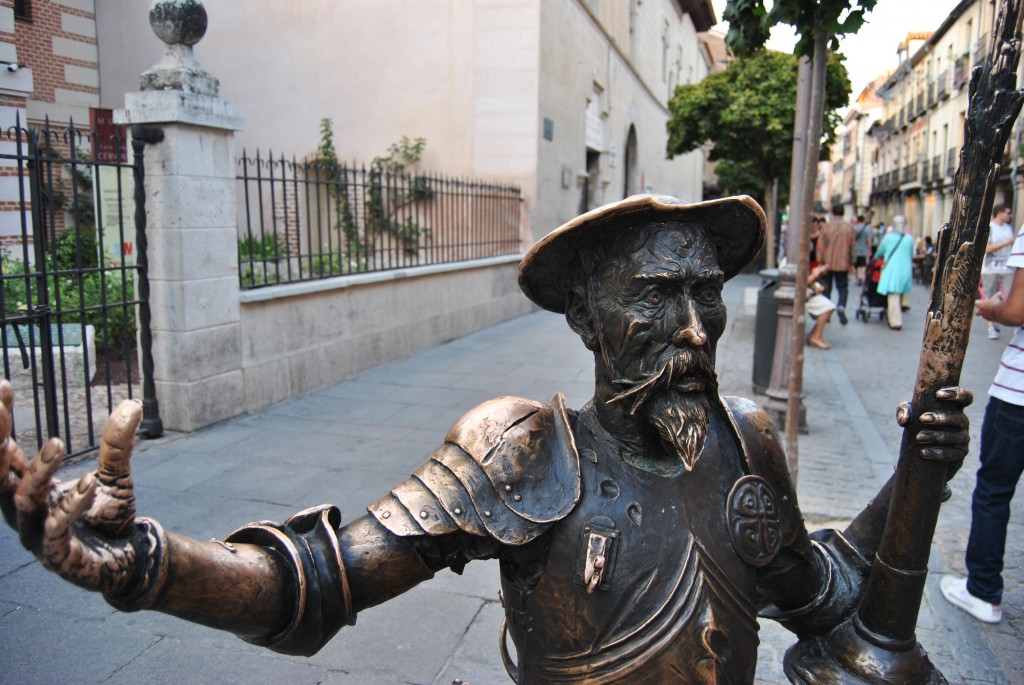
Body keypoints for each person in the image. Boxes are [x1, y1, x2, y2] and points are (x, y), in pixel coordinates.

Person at [0, 195, 971, 683]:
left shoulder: (743, 441)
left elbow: (827, 599)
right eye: (656, 296)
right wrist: (143, 566)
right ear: (587, 320)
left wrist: (913, 477)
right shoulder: (519, 451)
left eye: (705, 295)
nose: (692, 331)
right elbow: (320, 579)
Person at [941, 220, 1024, 624]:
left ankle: (983, 591)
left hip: (1019, 394)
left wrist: (990, 308)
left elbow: (1016, 310)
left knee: (993, 489)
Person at [980, 203, 1015, 340]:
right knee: (990, 297)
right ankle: (991, 326)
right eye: (1008, 212)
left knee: (1008, 296)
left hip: (1007, 268)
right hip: (991, 268)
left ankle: (998, 318)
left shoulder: (1008, 228)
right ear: (999, 213)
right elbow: (987, 249)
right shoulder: (990, 228)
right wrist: (1005, 244)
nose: (1010, 215)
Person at [874, 215, 914, 330]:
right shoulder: (909, 239)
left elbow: (879, 252)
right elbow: (911, 254)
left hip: (892, 270)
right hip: (905, 270)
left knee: (893, 296)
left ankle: (895, 321)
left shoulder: (888, 238)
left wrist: (876, 258)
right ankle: (892, 315)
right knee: (899, 294)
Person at [818, 206, 856, 325]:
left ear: (833, 213)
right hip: (843, 263)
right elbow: (852, 247)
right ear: (843, 213)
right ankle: (841, 306)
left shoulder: (827, 226)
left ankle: (827, 312)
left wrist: (820, 260)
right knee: (843, 288)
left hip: (827, 263)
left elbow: (820, 245)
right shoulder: (849, 227)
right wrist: (852, 262)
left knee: (826, 288)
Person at [806, 263, 836, 349]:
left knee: (829, 306)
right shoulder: (791, 261)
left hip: (807, 293)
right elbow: (802, 282)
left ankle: (815, 334)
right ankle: (815, 336)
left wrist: (818, 272)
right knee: (828, 306)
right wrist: (815, 274)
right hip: (802, 295)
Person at [853, 215, 871, 285]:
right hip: (864, 249)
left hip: (855, 249)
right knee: (863, 264)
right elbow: (869, 240)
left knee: (855, 265)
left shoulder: (854, 228)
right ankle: (861, 275)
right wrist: (870, 249)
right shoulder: (867, 229)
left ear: (857, 220)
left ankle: (857, 278)